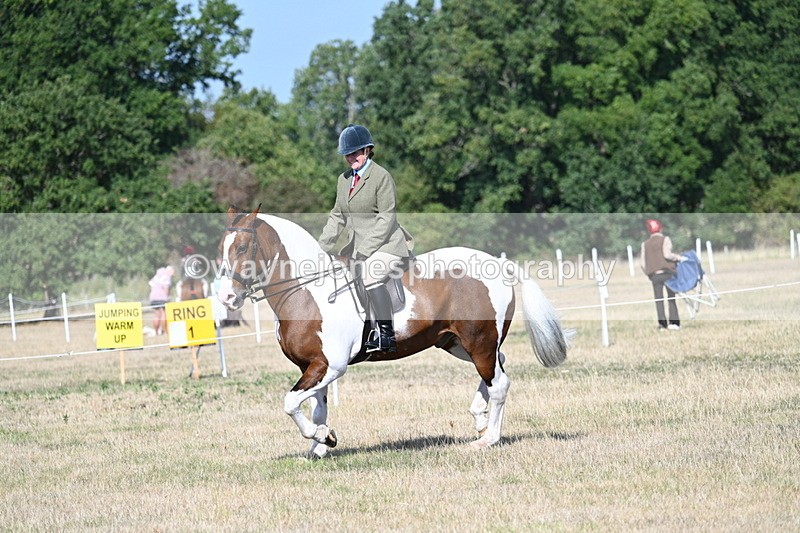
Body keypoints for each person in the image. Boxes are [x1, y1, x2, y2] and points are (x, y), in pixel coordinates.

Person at [318, 124, 413, 353]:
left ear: (367, 150)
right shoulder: (343, 180)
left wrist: (365, 250)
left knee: (370, 274)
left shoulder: (381, 176)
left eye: (356, 153)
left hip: (388, 245)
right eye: (347, 154)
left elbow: (386, 218)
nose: (351, 158)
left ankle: (386, 335)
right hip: (357, 247)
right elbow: (337, 216)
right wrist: (320, 248)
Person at [640, 219, 686, 331]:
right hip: (667, 273)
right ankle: (674, 323)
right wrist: (679, 258)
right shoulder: (665, 239)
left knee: (658, 300)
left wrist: (648, 273)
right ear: (660, 228)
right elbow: (667, 255)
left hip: (654, 275)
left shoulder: (645, 244)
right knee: (671, 297)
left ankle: (662, 324)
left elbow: (642, 264)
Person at [148, 265, 174, 335]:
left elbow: (151, 286)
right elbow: (166, 288)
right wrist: (167, 297)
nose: (173, 274)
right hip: (162, 297)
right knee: (163, 314)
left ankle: (156, 332)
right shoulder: (166, 277)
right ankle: (165, 331)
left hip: (153, 297)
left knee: (156, 315)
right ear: (169, 271)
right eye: (172, 272)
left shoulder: (156, 276)